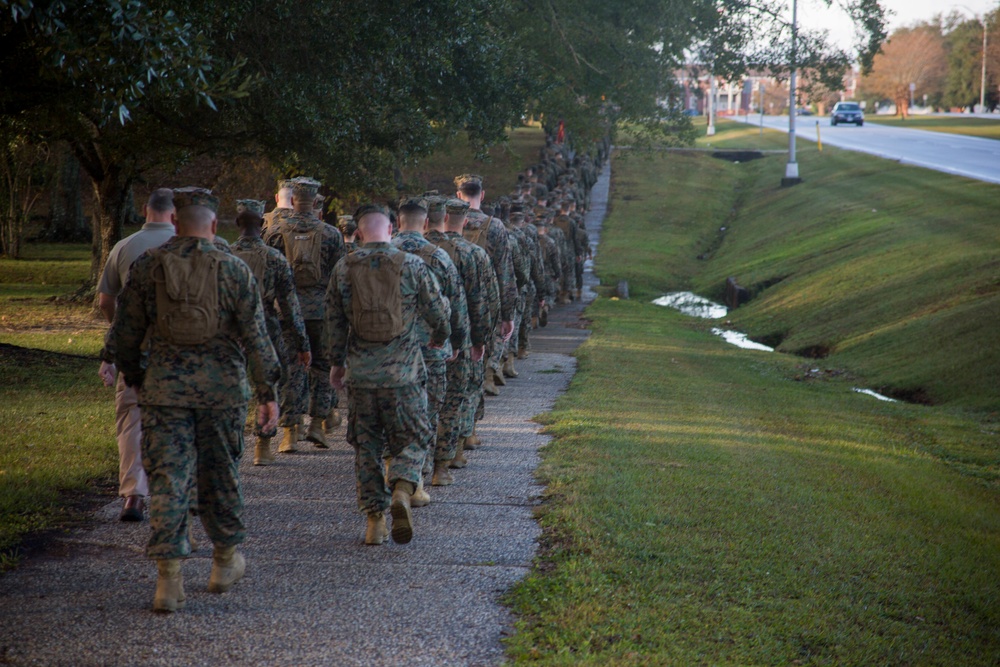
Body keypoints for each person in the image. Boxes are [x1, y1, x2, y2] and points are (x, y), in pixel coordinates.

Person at [106, 187, 280, 613]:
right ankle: (224, 560)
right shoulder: (234, 269)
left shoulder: (149, 266)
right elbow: (258, 339)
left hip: (165, 391)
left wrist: (136, 376)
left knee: (168, 479)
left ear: (174, 223)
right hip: (222, 393)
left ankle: (169, 579)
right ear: (214, 225)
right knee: (220, 474)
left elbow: (124, 334)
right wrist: (268, 393)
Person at [323, 204, 450, 546]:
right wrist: (440, 338)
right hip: (404, 374)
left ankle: (374, 522)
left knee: (367, 447)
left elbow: (334, 321)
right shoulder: (412, 265)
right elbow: (439, 311)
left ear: (359, 232)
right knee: (413, 437)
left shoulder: (343, 268)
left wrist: (337, 363)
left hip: (361, 377)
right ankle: (403, 488)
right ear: (392, 229)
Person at [97, 188, 176, 522]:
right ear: (175, 214)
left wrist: (119, 338)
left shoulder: (124, 247)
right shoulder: (190, 246)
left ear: (145, 210)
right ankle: (174, 493)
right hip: (178, 352)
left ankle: (134, 495)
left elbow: (105, 301)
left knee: (132, 420)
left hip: (136, 351)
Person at [391, 197, 470, 500]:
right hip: (432, 348)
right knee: (427, 412)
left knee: (392, 412)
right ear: (426, 224)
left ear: (398, 222)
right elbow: (457, 304)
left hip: (389, 349)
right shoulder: (438, 257)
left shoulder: (378, 255)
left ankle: (394, 473)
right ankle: (418, 481)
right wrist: (458, 342)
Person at [265, 178, 346, 451]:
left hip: (288, 311)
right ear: (315, 202)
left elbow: (270, 276)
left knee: (292, 367)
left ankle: (290, 430)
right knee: (322, 366)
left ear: (292, 199)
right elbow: (339, 278)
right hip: (321, 310)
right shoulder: (331, 234)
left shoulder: (275, 232)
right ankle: (317, 425)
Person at [232, 200, 311, 465]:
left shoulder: (224, 256)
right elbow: (289, 305)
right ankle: (262, 447)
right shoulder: (275, 259)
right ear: (263, 225)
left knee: (234, 384)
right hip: (266, 325)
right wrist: (302, 343)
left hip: (230, 330)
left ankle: (231, 443)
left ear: (237, 223)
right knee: (268, 384)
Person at [423, 198, 489, 481]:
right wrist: (477, 338)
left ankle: (412, 468)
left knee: (419, 405)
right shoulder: (471, 252)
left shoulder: (405, 250)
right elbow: (478, 301)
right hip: (454, 339)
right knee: (451, 402)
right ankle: (442, 466)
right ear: (462, 219)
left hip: (412, 342)